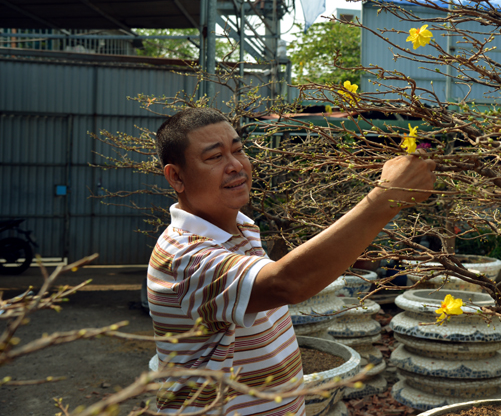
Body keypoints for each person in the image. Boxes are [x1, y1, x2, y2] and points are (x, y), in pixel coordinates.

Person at [147, 107, 435, 415]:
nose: (236, 165)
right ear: (176, 177)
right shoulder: (183, 256)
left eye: (238, 150)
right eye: (215, 157)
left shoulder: (240, 229)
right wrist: (386, 197)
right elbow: (286, 282)